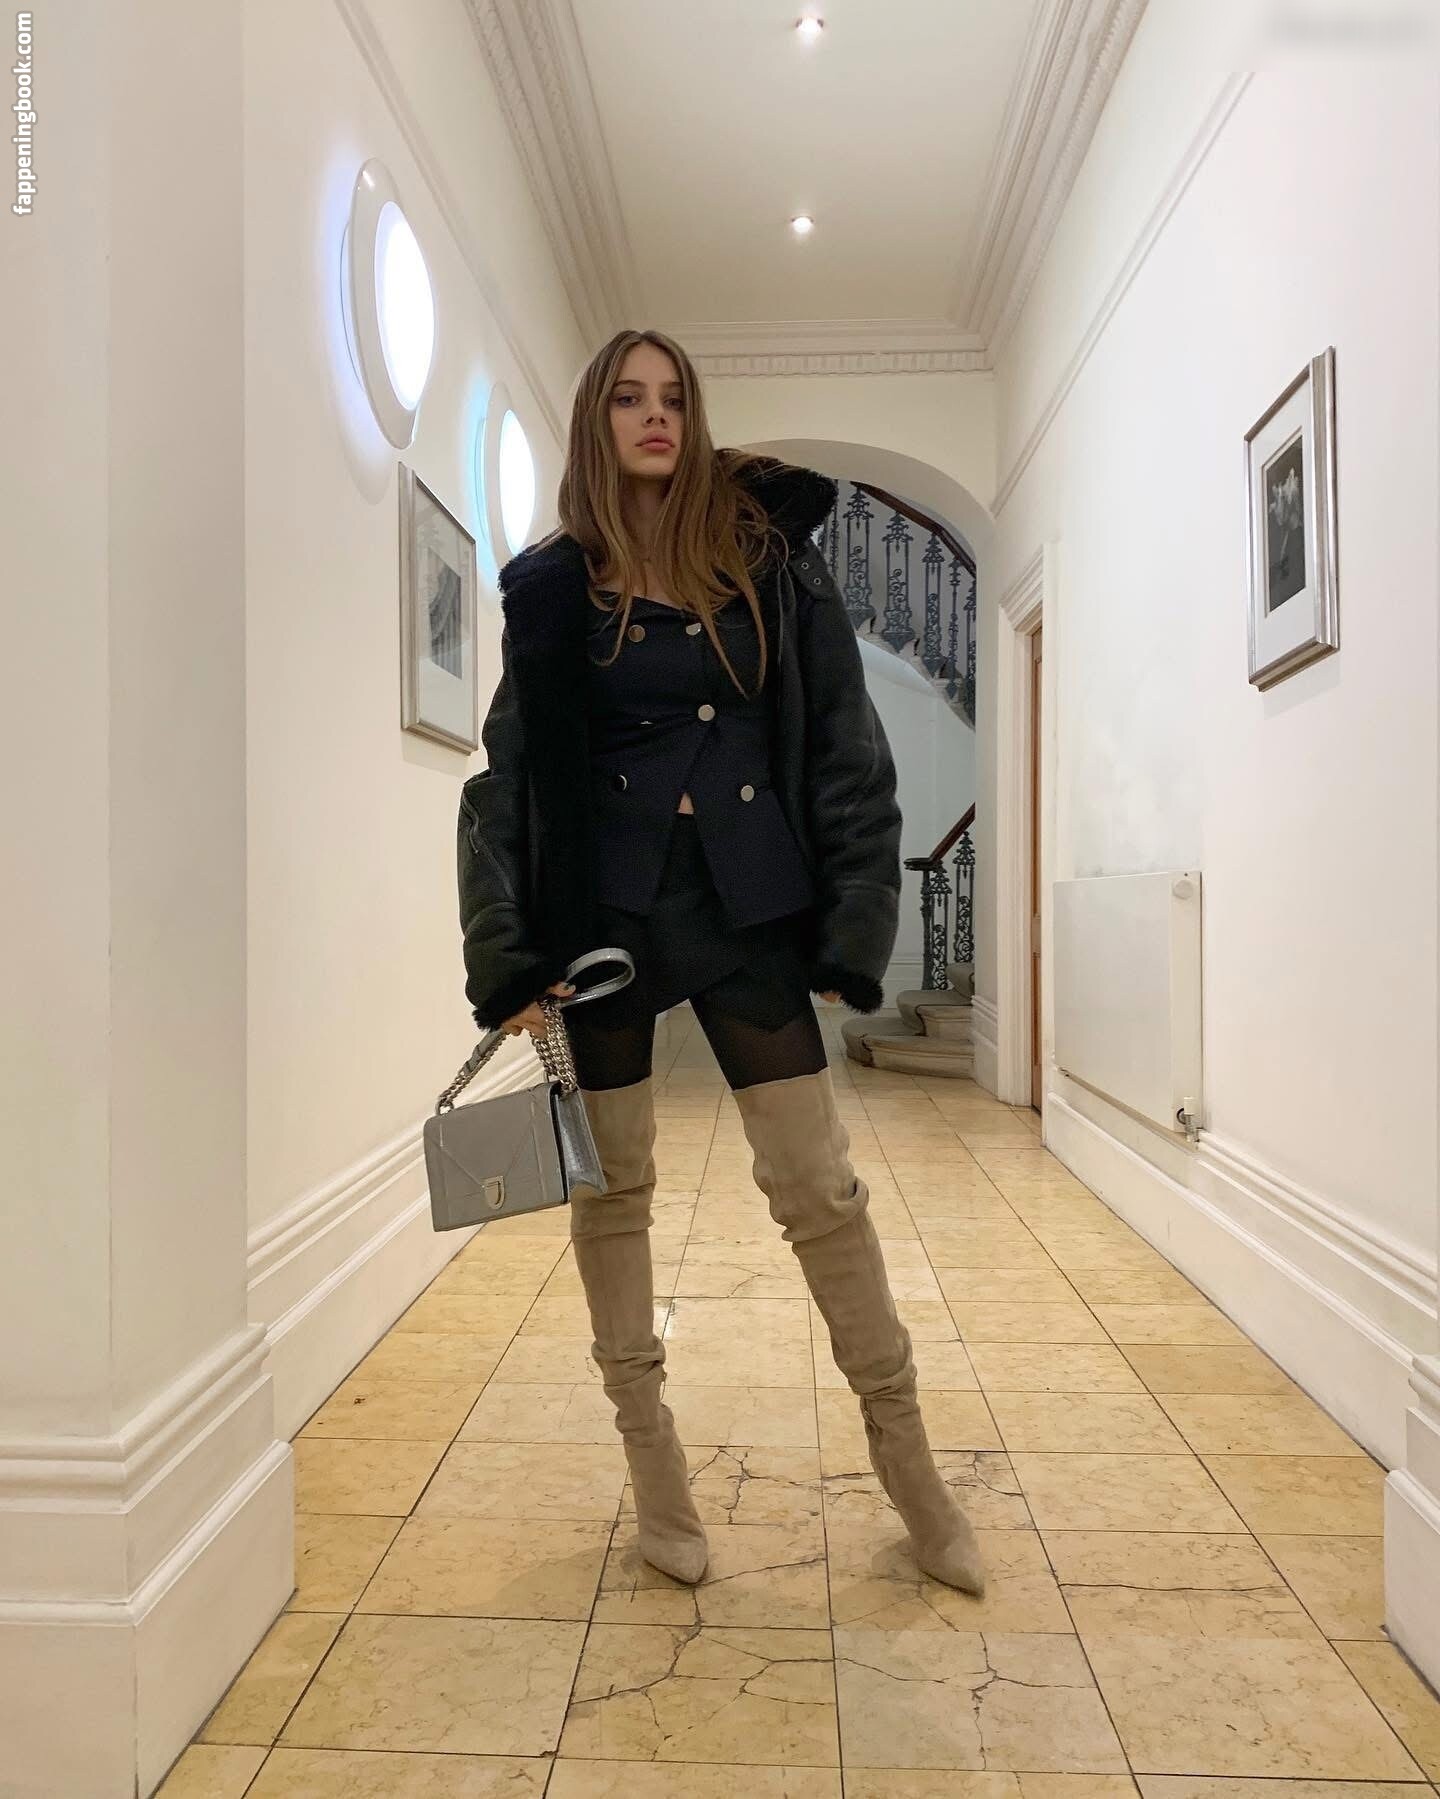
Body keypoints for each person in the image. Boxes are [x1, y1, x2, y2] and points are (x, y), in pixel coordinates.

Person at [456, 327, 985, 1596]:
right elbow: (503, 781)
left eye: (673, 398)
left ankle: (915, 1474)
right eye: (629, 399)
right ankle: (655, 1472)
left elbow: (847, 745)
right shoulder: (551, 589)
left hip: (749, 906)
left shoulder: (769, 560)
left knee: (820, 1188)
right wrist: (506, 952)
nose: (656, 416)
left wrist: (852, 924)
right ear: (596, 423)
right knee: (613, 1191)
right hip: (603, 925)